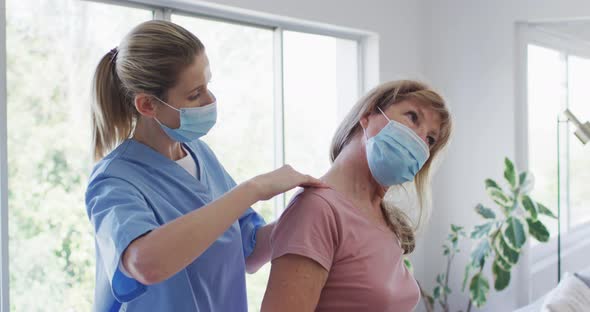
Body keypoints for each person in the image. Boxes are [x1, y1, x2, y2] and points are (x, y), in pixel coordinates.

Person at [85, 20, 323, 312]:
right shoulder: (114, 179)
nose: (210, 100)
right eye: (195, 94)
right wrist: (253, 189)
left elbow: (248, 251)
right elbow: (145, 264)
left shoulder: (201, 156)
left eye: (208, 85)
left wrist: (310, 212)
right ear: (147, 105)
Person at [261, 80, 453, 312]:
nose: (420, 140)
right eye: (413, 117)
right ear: (368, 115)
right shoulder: (316, 209)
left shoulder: (384, 219)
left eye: (430, 139)